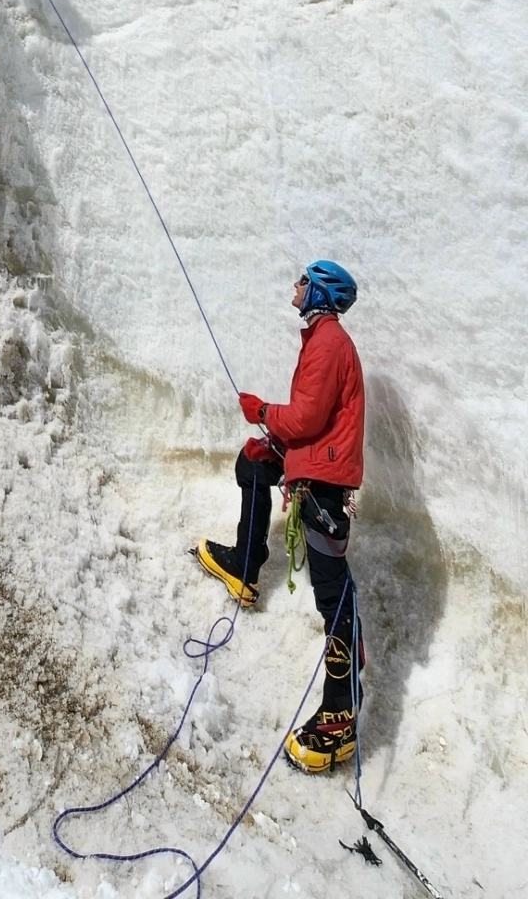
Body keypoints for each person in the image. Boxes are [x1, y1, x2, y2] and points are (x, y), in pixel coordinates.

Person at [194, 260, 366, 774]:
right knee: (253, 463)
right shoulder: (323, 339)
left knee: (333, 593)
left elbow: (308, 417)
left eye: (303, 280)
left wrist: (263, 412)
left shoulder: (329, 343)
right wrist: (274, 442)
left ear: (320, 292)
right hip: (315, 465)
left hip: (324, 481)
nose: (296, 285)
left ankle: (340, 716)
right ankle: (246, 566)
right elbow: (317, 419)